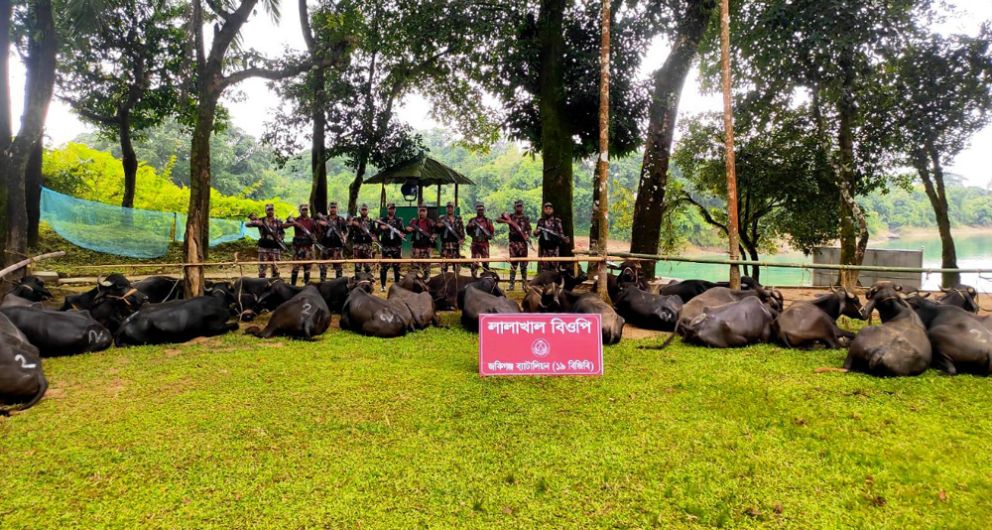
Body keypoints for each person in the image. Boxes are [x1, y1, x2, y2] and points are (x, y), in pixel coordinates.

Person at [497, 199, 531, 290]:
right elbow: (497, 219)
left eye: (520, 206)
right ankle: (511, 285)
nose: (519, 208)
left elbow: (529, 229)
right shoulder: (510, 216)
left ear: (523, 207)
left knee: (523, 265)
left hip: (523, 244)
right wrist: (507, 221)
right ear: (514, 207)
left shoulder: (526, 218)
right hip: (513, 243)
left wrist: (528, 235)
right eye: (517, 206)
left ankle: (524, 285)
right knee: (513, 265)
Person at [247, 204, 286, 279]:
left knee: (276, 270)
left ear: (274, 210)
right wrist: (255, 222)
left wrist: (280, 239)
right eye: (268, 209)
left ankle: (275, 286)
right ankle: (261, 286)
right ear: (265, 211)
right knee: (262, 271)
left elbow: (282, 233)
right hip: (263, 248)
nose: (270, 211)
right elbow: (247, 224)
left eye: (272, 209)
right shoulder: (261, 220)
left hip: (275, 248)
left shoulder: (278, 221)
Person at [285, 204, 319, 286]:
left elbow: (316, 231)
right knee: (295, 268)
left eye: (306, 209)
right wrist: (293, 223)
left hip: (308, 247)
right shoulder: (296, 219)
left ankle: (306, 285)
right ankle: (292, 285)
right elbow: (284, 226)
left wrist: (314, 238)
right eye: (303, 209)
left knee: (307, 268)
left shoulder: (311, 221)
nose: (305, 211)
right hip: (298, 248)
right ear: (299, 210)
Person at [376, 202, 405, 292]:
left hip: (396, 246)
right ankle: (383, 286)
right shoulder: (382, 220)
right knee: (384, 267)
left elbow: (402, 232)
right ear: (387, 209)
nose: (391, 210)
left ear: (395, 210)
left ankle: (397, 286)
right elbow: (376, 233)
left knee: (397, 267)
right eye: (389, 208)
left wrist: (401, 233)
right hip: (386, 247)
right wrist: (382, 228)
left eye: (393, 208)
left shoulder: (399, 220)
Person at [316, 201, 348, 281]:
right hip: (325, 246)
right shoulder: (324, 218)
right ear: (328, 209)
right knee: (323, 266)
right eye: (331, 208)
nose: (333, 209)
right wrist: (320, 224)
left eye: (334, 208)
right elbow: (317, 230)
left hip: (337, 246)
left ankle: (338, 283)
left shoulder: (341, 219)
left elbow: (346, 231)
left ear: (337, 209)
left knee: (338, 267)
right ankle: (322, 283)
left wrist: (344, 237)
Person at [535, 201, 570, 272]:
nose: (548, 210)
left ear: (552, 210)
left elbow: (561, 233)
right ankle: (546, 282)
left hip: (554, 248)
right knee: (544, 269)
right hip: (544, 249)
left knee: (555, 268)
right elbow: (536, 234)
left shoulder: (557, 221)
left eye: (550, 208)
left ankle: (555, 283)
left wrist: (564, 239)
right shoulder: (541, 221)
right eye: (546, 208)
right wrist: (536, 232)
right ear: (544, 210)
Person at [406, 205, 436, 278]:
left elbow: (436, 232)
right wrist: (408, 229)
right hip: (415, 249)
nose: (422, 213)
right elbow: (407, 230)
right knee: (414, 269)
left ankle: (426, 285)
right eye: (420, 211)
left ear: (426, 212)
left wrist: (433, 237)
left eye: (424, 211)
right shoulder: (414, 221)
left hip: (426, 248)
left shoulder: (430, 222)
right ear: (417, 212)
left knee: (426, 270)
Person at [466, 202, 494, 277]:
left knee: (486, 264)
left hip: (484, 244)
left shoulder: (488, 221)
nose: (480, 211)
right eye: (479, 210)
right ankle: (474, 280)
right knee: (474, 264)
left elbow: (491, 233)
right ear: (476, 210)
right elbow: (468, 233)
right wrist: (469, 226)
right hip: (475, 244)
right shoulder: (472, 220)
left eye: (481, 209)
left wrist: (488, 235)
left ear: (484, 210)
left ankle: (486, 280)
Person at [436, 201, 465, 274]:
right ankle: (444, 283)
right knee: (443, 267)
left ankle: (456, 283)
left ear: (454, 208)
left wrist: (462, 239)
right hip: (445, 245)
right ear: (446, 209)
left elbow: (462, 230)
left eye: (451, 207)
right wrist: (439, 225)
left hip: (456, 245)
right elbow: (436, 229)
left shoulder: (458, 218)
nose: (449, 209)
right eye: (448, 207)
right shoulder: (442, 218)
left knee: (456, 267)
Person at [350, 204, 375, 277]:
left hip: (368, 246)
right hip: (357, 246)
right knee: (357, 267)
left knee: (367, 267)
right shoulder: (355, 220)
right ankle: (357, 283)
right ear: (359, 211)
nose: (364, 211)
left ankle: (368, 282)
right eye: (362, 209)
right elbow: (350, 230)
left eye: (365, 210)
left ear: (368, 211)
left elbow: (375, 233)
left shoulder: (371, 222)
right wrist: (352, 223)